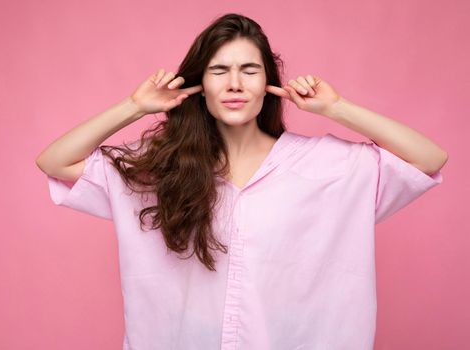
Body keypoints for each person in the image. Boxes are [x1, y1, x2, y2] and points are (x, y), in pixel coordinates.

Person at [35, 12, 447, 350]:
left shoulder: (329, 165)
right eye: (219, 71)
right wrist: (134, 106)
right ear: (199, 85)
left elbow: (429, 159)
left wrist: (336, 108)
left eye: (249, 70)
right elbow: (55, 161)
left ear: (268, 84)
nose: (234, 83)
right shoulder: (160, 169)